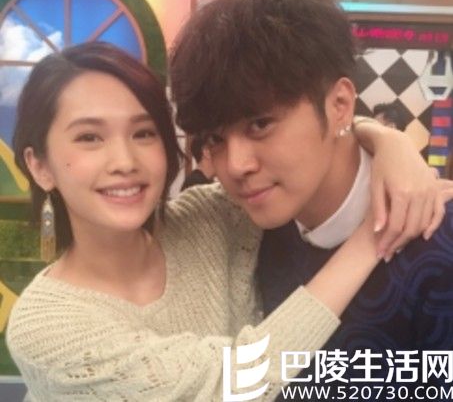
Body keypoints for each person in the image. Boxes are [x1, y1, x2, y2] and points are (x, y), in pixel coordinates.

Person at [6, 42, 387, 402]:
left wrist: (387, 144)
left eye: (143, 133)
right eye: (89, 137)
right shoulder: (45, 327)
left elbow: (307, 140)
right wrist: (373, 237)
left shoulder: (209, 218)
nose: (124, 161)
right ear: (40, 167)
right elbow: (238, 382)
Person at [169, 0, 453, 401]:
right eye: (215, 138)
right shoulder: (242, 228)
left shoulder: (438, 244)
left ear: (339, 104)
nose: (236, 166)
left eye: (260, 124)